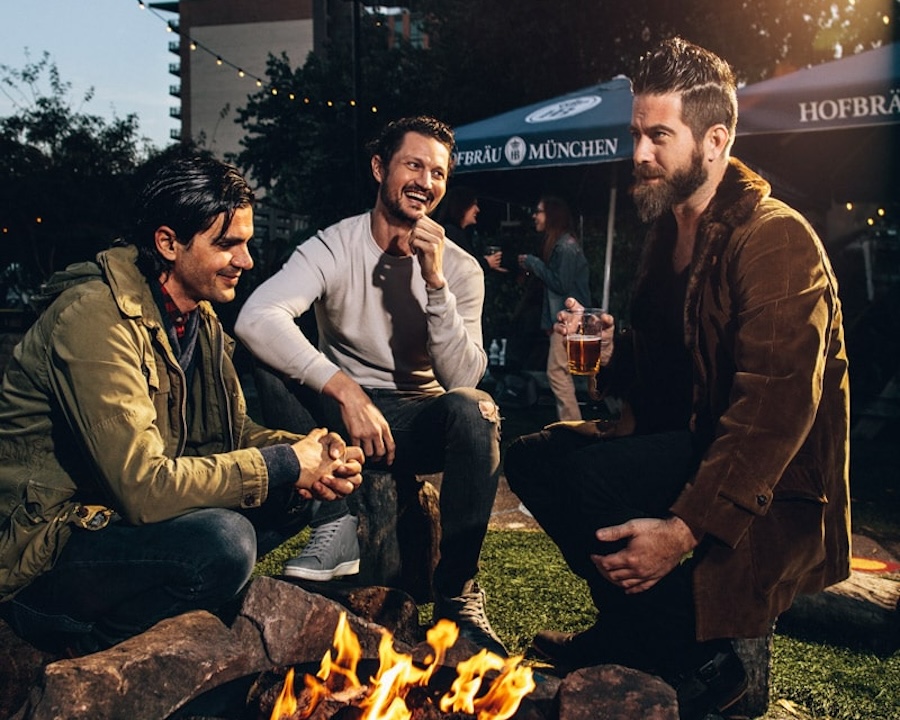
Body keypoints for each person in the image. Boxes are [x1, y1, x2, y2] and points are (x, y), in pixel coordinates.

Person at [504, 37, 850, 720]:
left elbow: (773, 412)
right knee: (535, 458)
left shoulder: (776, 238)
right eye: (636, 133)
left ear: (716, 140)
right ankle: (631, 633)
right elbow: (673, 365)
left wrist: (683, 532)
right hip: (694, 437)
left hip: (772, 477)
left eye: (659, 135)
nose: (638, 153)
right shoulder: (667, 234)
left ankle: (706, 664)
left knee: (593, 479)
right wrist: (611, 351)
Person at [0, 157, 365, 656]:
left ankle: (175, 623)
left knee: (293, 493)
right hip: (44, 555)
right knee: (224, 542)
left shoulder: (199, 320)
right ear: (168, 243)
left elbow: (232, 438)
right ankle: (88, 651)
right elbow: (144, 489)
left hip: (114, 524)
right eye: (227, 244)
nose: (247, 260)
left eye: (246, 242)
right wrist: (283, 463)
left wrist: (306, 454)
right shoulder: (93, 318)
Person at [235, 116, 507, 656]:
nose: (426, 182)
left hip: (417, 421)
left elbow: (463, 379)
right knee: (267, 358)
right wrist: (343, 388)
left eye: (438, 173)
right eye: (413, 165)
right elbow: (254, 316)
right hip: (338, 420)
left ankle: (456, 594)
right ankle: (333, 521)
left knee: (476, 410)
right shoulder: (334, 245)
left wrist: (434, 283)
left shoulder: (461, 269)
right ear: (380, 168)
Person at [517, 195, 591, 420]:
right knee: (566, 372)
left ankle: (572, 425)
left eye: (539, 211)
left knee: (557, 372)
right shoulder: (560, 244)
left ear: (552, 215)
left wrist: (533, 262)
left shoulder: (566, 246)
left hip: (569, 321)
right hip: (564, 320)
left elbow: (561, 284)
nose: (534, 216)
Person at [436, 185, 504, 274]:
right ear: (462, 206)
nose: (477, 209)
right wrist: (486, 263)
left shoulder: (459, 233)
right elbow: (461, 267)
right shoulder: (451, 233)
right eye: (473, 204)